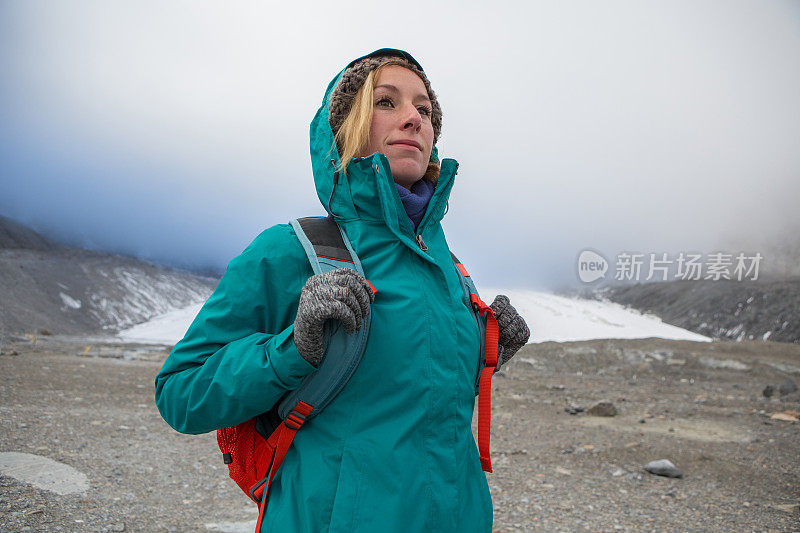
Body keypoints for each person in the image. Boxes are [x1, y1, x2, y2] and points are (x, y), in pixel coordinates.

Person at [154, 48, 530, 532]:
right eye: (387, 102)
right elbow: (180, 395)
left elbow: (412, 399)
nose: (413, 118)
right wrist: (293, 349)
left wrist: (485, 351)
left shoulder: (449, 268)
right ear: (347, 126)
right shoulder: (290, 250)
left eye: (425, 109)